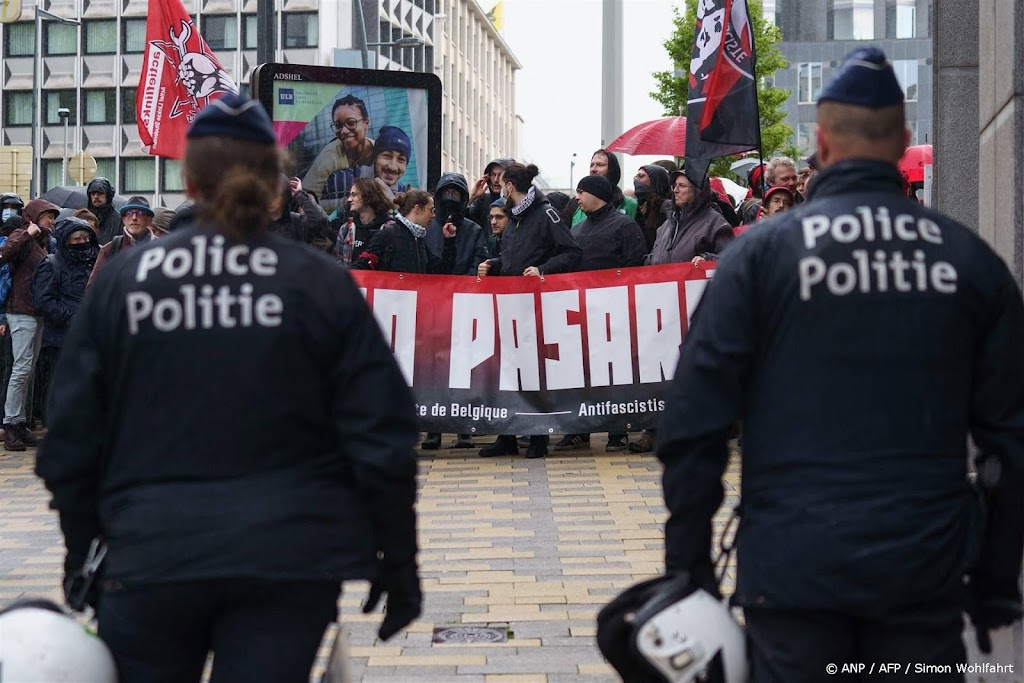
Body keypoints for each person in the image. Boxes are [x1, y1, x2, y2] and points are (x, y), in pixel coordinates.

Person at [655, 47, 1024, 681]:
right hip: (924, 573)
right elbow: (1010, 441)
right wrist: (995, 581)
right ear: (902, 141)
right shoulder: (969, 263)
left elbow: (694, 425)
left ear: (821, 142)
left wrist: (689, 572)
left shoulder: (759, 259)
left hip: (793, 571)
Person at [36, 93, 422, 682]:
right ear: (275, 182)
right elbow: (382, 433)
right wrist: (396, 558)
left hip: (151, 555)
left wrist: (81, 547)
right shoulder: (316, 282)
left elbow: (69, 436)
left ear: (189, 179)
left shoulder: (125, 281)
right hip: (286, 559)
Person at [477, 163, 582, 459]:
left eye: (501, 182)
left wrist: (543, 270)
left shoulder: (545, 213)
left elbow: (572, 252)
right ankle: (507, 437)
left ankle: (537, 438)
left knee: (532, 372)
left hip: (536, 306)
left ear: (510, 186)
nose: (499, 186)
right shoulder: (517, 216)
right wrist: (495, 264)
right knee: (508, 371)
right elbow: (515, 254)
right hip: (511, 304)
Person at [629, 171, 734, 455]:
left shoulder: (715, 223)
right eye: (674, 186)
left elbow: (730, 257)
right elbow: (656, 257)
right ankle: (654, 429)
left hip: (696, 313)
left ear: (698, 191)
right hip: (664, 311)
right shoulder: (668, 224)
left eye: (682, 186)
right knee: (660, 370)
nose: (675, 190)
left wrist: (709, 260)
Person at [555, 175, 646, 453]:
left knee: (614, 372)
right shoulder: (577, 228)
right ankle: (579, 429)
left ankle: (618, 430)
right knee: (580, 372)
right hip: (581, 312)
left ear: (597, 194)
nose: (577, 198)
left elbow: (636, 266)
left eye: (581, 192)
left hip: (614, 312)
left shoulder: (625, 226)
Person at [30, 216, 99, 427]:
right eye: (75, 239)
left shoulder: (93, 261)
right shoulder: (51, 264)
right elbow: (43, 300)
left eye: (84, 238)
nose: (81, 243)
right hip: (59, 337)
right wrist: (71, 317)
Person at [1, 199, 58, 450]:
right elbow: (4, 254)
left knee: (29, 370)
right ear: (35, 216)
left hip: (36, 311)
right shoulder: (22, 235)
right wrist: (26, 233)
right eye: (49, 216)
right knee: (21, 369)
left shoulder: (42, 242)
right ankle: (11, 423)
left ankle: (21, 422)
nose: (52, 221)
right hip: (21, 310)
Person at [352, 190, 457, 273]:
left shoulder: (419, 241)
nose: (433, 215)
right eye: (431, 210)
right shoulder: (387, 235)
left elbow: (441, 270)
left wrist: (449, 242)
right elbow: (362, 265)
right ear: (417, 209)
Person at [303, 95, 376, 213]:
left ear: (366, 123)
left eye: (351, 123)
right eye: (338, 125)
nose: (344, 131)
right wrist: (343, 203)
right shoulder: (330, 156)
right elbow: (304, 199)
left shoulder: (379, 153)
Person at [87, 196, 154, 287]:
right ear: (123, 219)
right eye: (129, 213)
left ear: (149, 220)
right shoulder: (110, 249)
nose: (134, 218)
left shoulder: (163, 247)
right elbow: (93, 288)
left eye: (140, 213)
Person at [562, 149, 638, 226]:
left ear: (612, 169)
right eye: (591, 165)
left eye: (600, 165)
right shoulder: (575, 203)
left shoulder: (630, 205)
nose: (593, 169)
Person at [334, 177, 393, 266]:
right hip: (352, 279)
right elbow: (338, 262)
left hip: (381, 279)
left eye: (354, 195)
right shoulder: (346, 229)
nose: (349, 199)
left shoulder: (389, 229)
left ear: (368, 196)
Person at [466, 157, 514, 230]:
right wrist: (472, 197)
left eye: (501, 175)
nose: (496, 180)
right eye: (493, 174)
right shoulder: (482, 200)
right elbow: (464, 222)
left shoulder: (517, 202)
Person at [633, 164, 672, 251]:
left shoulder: (666, 207)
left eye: (641, 176)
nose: (636, 180)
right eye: (636, 176)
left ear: (655, 180)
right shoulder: (642, 206)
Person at [371, 126, 412, 200]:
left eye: (401, 159)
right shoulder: (350, 182)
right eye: (387, 156)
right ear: (375, 158)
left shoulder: (407, 197)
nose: (393, 167)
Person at [85, 177, 122, 245]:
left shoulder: (118, 219)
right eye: (93, 193)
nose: (96, 196)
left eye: (100, 193)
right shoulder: (84, 217)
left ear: (108, 195)